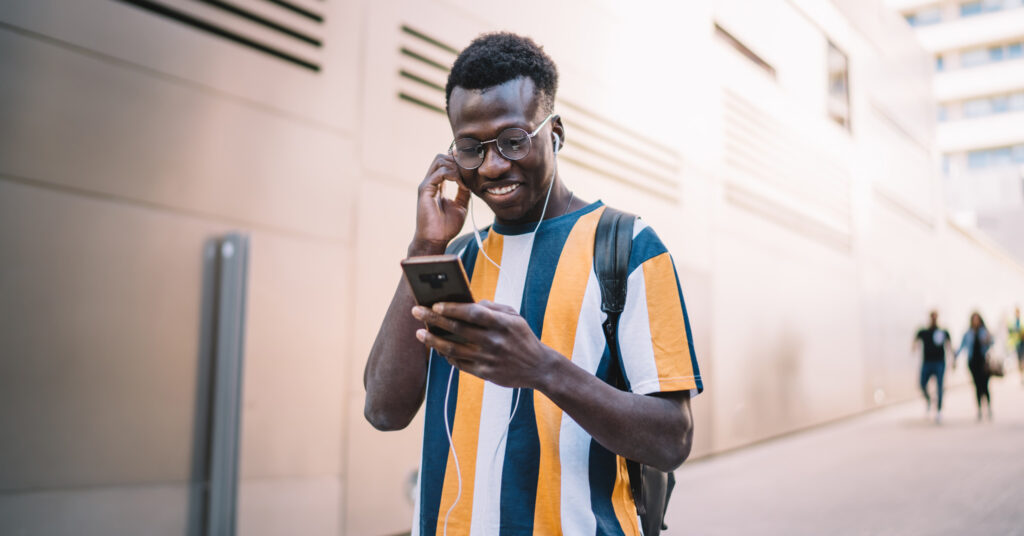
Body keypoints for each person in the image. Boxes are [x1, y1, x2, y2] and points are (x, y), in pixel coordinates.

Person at [363, 32, 702, 535]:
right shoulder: (454, 257)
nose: (495, 165)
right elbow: (383, 411)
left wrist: (541, 367)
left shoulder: (628, 247)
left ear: (555, 131)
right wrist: (423, 248)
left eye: (513, 139)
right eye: (471, 148)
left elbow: (672, 440)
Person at [912, 311, 953, 423]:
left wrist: (953, 359)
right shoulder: (924, 332)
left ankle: (939, 410)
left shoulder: (942, 332)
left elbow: (949, 345)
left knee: (940, 386)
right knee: (922, 383)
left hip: (939, 363)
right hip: (927, 363)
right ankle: (929, 400)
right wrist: (914, 346)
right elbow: (915, 339)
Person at [954, 312, 993, 421]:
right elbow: (962, 346)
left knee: (984, 386)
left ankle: (989, 407)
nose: (975, 322)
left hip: (983, 362)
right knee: (977, 386)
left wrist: (988, 340)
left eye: (977, 319)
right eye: (974, 320)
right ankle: (979, 409)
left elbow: (991, 342)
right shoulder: (968, 333)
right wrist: (955, 356)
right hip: (973, 363)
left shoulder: (984, 331)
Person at [1009, 306, 1023, 384]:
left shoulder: (1021, 321)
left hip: (1022, 343)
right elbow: (1011, 334)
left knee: (1022, 361)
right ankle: (1021, 376)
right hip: (1017, 344)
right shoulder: (1013, 323)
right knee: (1019, 361)